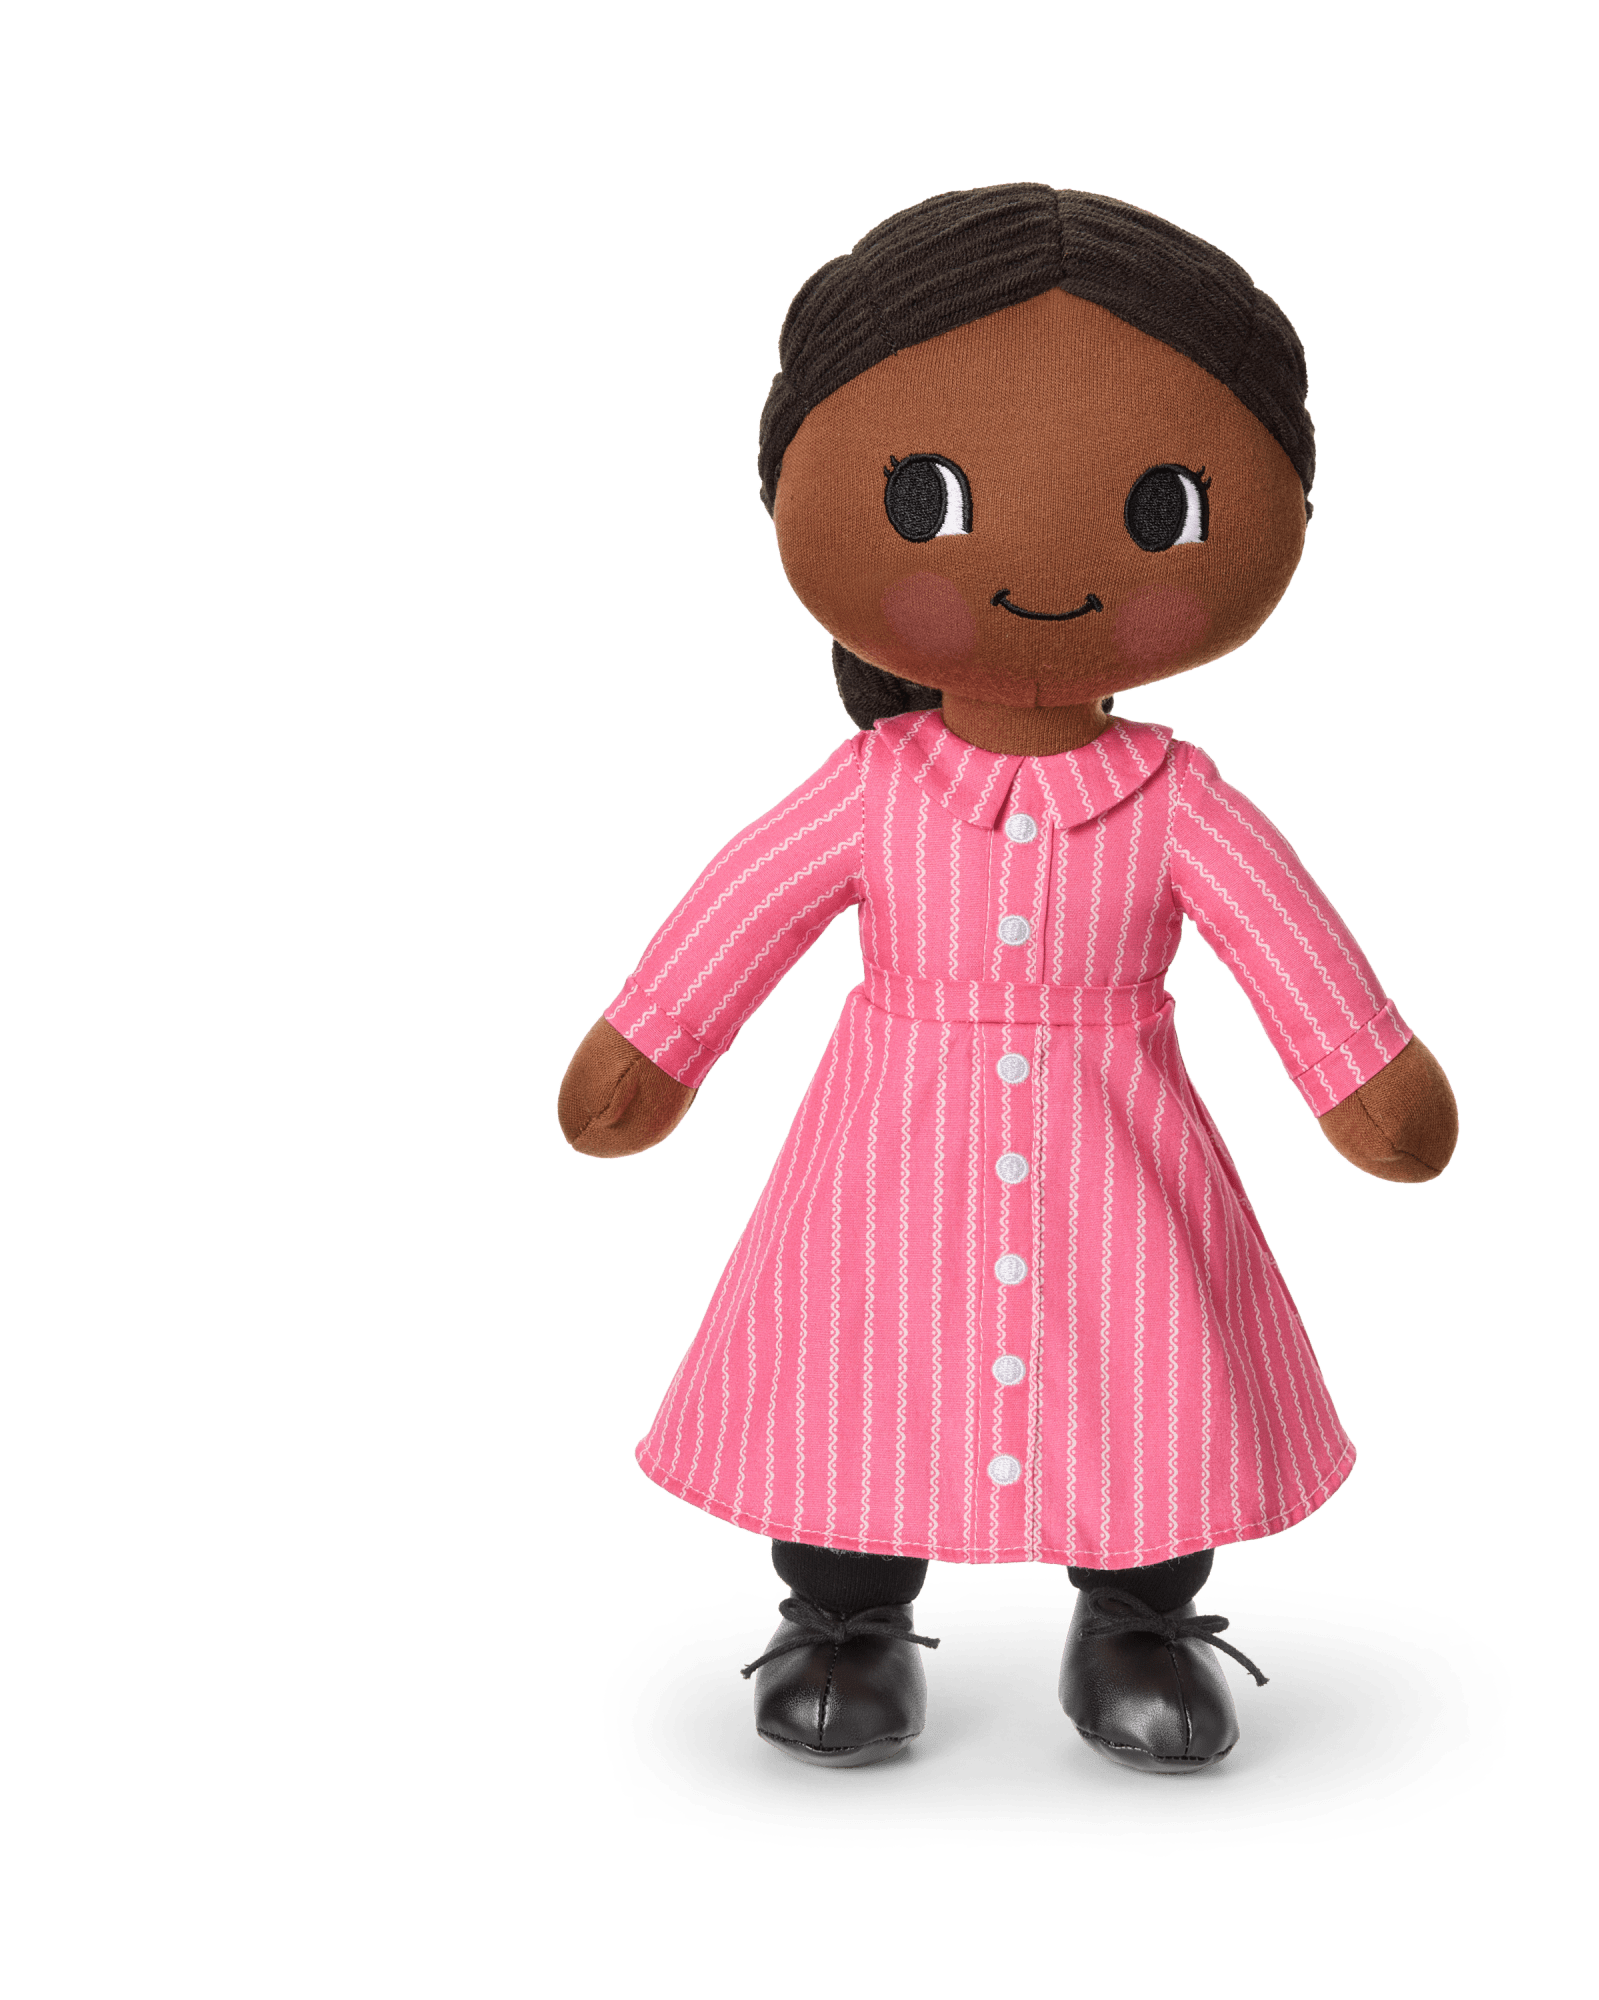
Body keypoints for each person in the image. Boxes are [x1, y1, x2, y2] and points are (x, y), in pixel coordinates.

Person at [557, 183, 1459, 1776]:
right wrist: (654, 1043)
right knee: (858, 1353)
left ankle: (1143, 1616)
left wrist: (1363, 1074)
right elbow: (741, 909)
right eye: (930, 497)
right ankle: (841, 1615)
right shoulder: (875, 786)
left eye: (1162, 507)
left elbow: (1291, 944)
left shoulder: (1177, 795)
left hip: (1121, 1144)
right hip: (885, 1150)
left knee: (1147, 1360)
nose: (1046, 561)